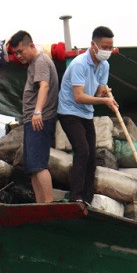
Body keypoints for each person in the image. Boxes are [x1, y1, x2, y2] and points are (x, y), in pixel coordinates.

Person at [57, 26, 118, 203]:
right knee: (82, 151)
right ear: (93, 45)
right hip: (69, 112)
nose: (107, 51)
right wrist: (104, 102)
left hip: (86, 114)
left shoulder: (105, 65)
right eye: (104, 47)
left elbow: (97, 94)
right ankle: (75, 197)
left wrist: (104, 96)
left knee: (92, 155)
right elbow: (79, 97)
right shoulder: (79, 64)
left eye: (110, 48)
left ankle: (87, 199)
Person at [8, 30, 59, 203]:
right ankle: (40, 203)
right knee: (32, 167)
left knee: (39, 165)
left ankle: (48, 204)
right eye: (16, 53)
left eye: (20, 51)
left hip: (40, 119)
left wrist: (38, 112)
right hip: (31, 120)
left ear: (31, 46)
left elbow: (44, 87)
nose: (19, 56)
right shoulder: (32, 64)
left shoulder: (41, 61)